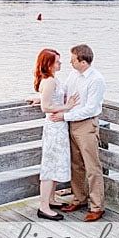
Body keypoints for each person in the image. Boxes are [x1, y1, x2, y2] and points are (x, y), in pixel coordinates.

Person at [49, 43, 107, 222]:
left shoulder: (96, 79)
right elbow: (64, 92)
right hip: (72, 124)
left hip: (86, 125)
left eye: (73, 60)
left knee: (92, 167)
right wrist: (43, 99)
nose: (70, 63)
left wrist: (64, 117)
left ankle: (97, 207)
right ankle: (79, 198)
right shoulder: (74, 74)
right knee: (76, 165)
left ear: (83, 61)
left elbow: (90, 109)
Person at [32, 48, 79, 221]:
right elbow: (46, 108)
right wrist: (67, 107)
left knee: (55, 162)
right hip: (53, 127)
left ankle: (51, 199)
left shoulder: (52, 80)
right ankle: (43, 207)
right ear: (48, 63)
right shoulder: (50, 81)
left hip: (58, 127)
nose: (60, 64)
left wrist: (39, 98)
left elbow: (47, 99)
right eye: (57, 61)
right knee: (50, 165)